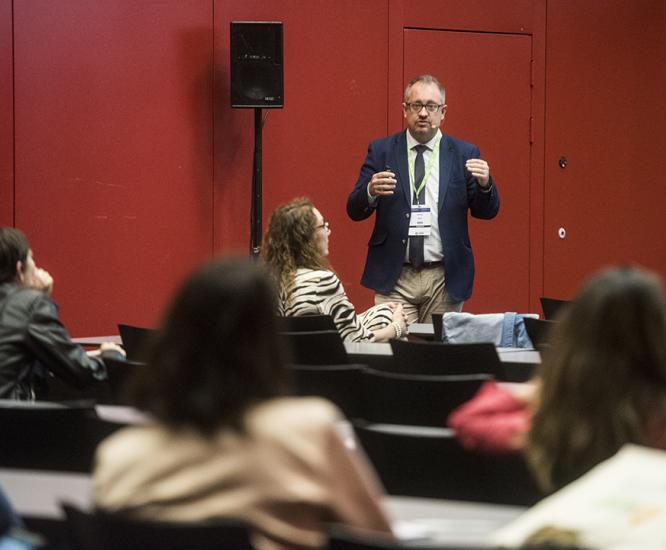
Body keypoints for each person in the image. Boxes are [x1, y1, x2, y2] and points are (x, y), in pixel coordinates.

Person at [92, 258, 392, 550]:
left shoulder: (116, 457)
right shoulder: (309, 431)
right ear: (270, 341)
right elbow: (376, 538)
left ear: (172, 340)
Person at [448, 266, 666, 494]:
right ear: (664, 339)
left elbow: (469, 420)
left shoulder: (554, 431)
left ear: (573, 341)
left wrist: (550, 388)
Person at [346, 74, 500, 323]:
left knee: (436, 357)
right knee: (392, 349)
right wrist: (370, 191)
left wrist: (485, 185)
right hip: (395, 276)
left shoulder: (463, 153)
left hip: (443, 277)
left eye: (431, 106)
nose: (424, 113)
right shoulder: (382, 150)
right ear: (405, 109)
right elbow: (354, 209)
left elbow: (487, 211)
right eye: (417, 105)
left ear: (443, 112)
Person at [0, 227, 124, 400]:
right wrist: (111, 358)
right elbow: (81, 373)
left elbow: (20, 358)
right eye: (32, 258)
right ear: (20, 268)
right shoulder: (29, 303)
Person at [262, 197, 407, 342]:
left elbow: (330, 329)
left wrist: (374, 313)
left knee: (381, 312)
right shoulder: (321, 281)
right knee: (387, 318)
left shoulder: (272, 280)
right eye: (323, 226)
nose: (328, 232)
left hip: (294, 361)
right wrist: (396, 327)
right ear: (306, 237)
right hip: (331, 361)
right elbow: (356, 341)